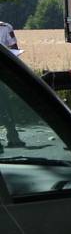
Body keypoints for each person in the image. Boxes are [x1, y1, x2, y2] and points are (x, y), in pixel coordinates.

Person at [0, 21, 24, 151]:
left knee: (5, 105)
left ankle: (13, 136)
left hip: (2, 74)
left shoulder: (5, 27)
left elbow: (14, 48)